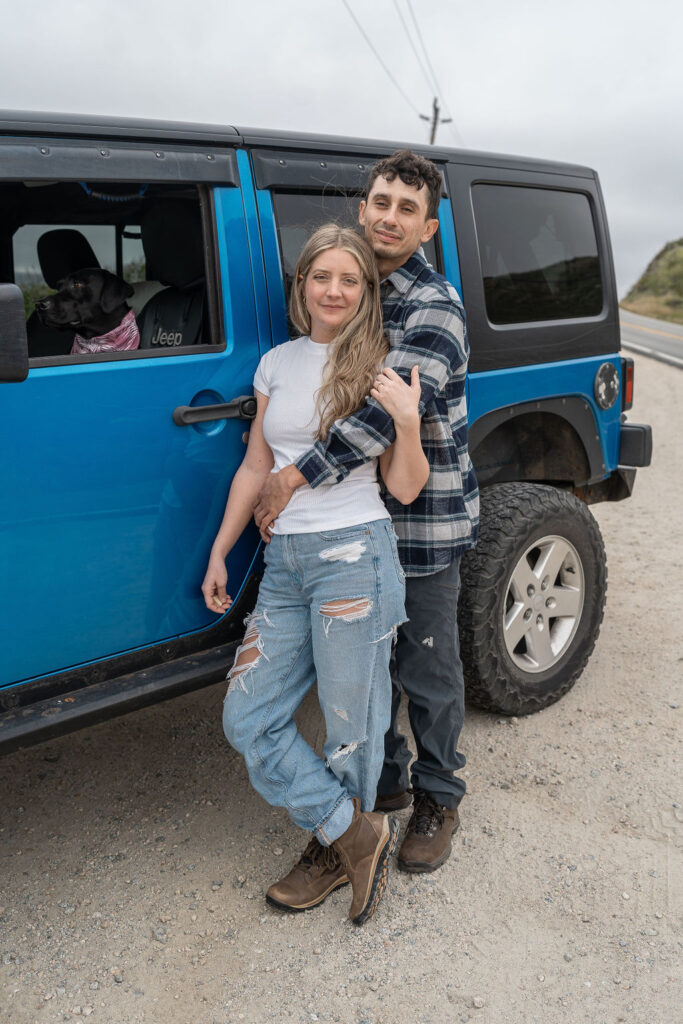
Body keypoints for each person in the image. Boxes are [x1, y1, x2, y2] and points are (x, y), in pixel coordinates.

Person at [253, 150, 479, 881]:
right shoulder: (352, 292)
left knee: (428, 669)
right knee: (361, 678)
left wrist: (292, 477)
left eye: (406, 208)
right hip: (351, 527)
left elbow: (380, 420)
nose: (388, 216)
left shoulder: (432, 307)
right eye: (380, 201)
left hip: (419, 524)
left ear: (428, 226)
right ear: (363, 207)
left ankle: (438, 797)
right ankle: (373, 798)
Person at [201, 224, 429, 925]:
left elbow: (407, 487)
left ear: (365, 291)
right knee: (247, 717)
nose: (333, 290)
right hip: (283, 567)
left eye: (349, 279)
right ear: (301, 284)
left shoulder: (380, 366)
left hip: (352, 557)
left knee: (349, 732)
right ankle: (352, 831)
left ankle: (332, 852)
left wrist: (409, 423)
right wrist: (220, 550)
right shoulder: (275, 362)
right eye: (319, 276)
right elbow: (254, 467)